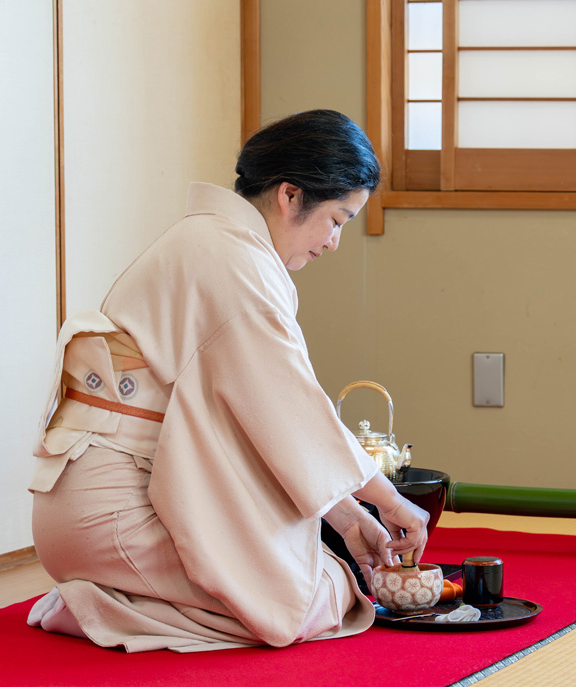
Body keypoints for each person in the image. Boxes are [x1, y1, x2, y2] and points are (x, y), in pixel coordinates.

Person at [27, 110, 430, 652]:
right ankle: (99, 605)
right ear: (290, 195)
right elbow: (291, 412)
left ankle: (114, 596)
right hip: (117, 514)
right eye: (337, 219)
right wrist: (386, 498)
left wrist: (349, 513)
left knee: (313, 571)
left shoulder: (209, 242)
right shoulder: (233, 260)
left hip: (89, 506)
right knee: (313, 599)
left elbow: (261, 425)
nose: (334, 242)